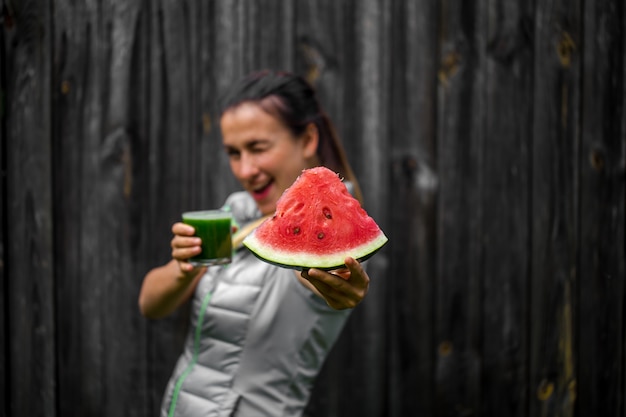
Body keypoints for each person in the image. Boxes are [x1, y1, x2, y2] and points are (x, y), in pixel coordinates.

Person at [139, 70, 371, 416]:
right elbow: (150, 304)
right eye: (234, 153)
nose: (245, 170)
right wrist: (185, 266)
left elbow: (325, 277)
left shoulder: (334, 223)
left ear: (308, 139)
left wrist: (337, 282)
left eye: (258, 148)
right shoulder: (236, 211)